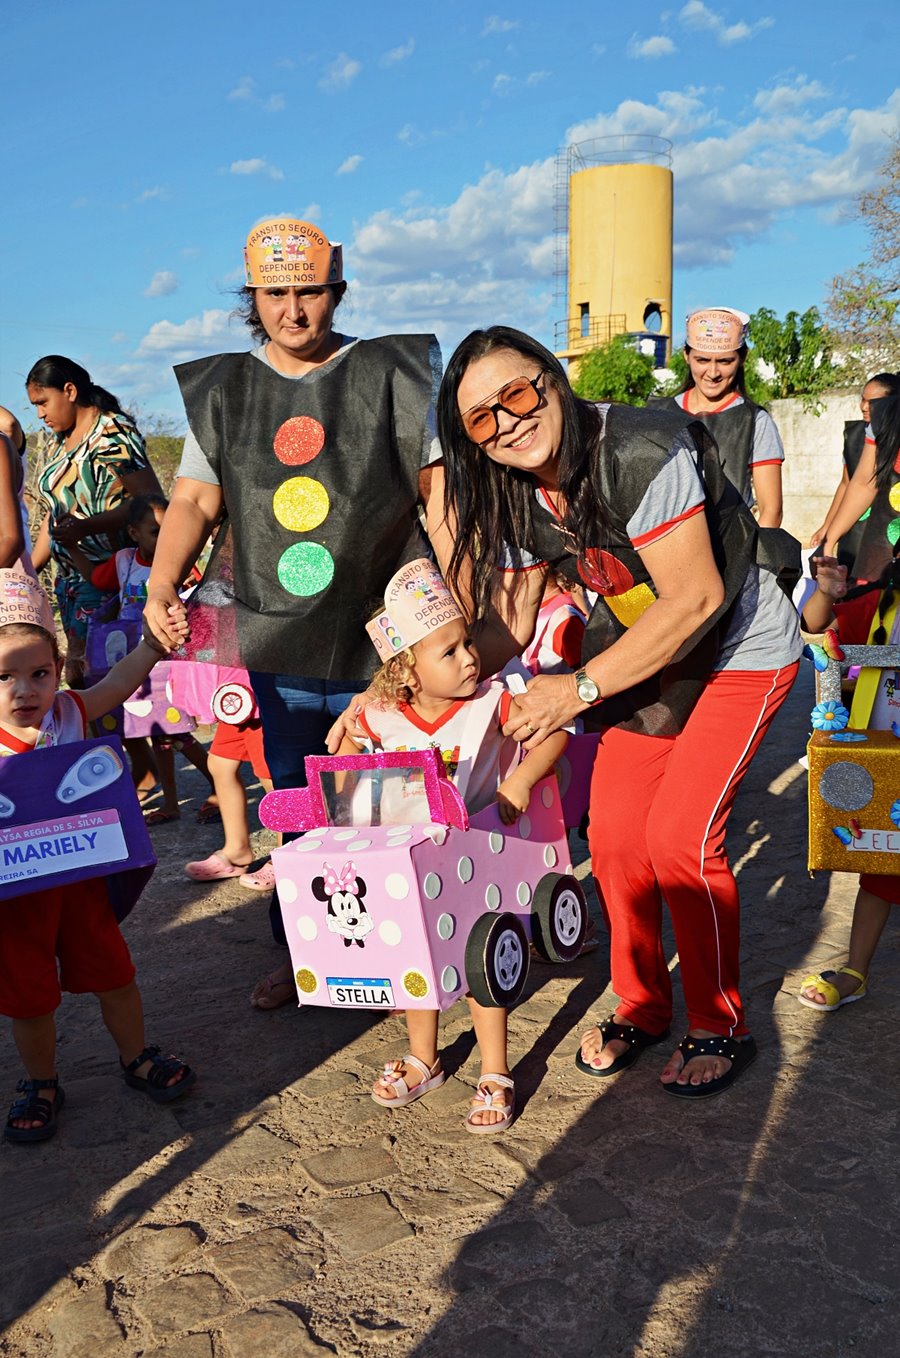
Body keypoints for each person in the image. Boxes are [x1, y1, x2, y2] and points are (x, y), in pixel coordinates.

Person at [437, 326, 801, 1098]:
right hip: (646, 657)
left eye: (517, 393)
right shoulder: (515, 487)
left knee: (680, 839)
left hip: (736, 645)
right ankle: (641, 1003)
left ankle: (720, 1021)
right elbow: (507, 623)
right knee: (615, 839)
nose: (507, 421)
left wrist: (576, 690)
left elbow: (697, 598)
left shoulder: (639, 449)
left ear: (551, 379)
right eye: (481, 418)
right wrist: (407, 681)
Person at [142, 216, 448, 1009]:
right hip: (279, 644)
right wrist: (161, 582)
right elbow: (194, 499)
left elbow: (436, 492)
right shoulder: (228, 392)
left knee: (390, 795)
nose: (294, 310)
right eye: (276, 294)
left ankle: (405, 952)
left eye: (309, 290)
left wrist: (459, 597)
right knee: (299, 804)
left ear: (336, 291)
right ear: (254, 298)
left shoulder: (390, 374)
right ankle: (310, 954)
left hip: (386, 644)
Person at [336, 559, 567, 1131]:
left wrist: (519, 779)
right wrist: (347, 788)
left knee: (480, 960)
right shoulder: (379, 715)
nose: (470, 657)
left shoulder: (491, 702)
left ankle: (495, 1069)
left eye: (467, 642)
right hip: (408, 859)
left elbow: (555, 732)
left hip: (477, 856)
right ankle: (425, 1056)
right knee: (418, 955)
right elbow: (342, 763)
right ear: (406, 673)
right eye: (450, 650)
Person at [0, 573, 194, 1144]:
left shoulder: (70, 712)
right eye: (4, 677)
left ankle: (136, 1058)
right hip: (15, 904)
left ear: (58, 669)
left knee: (115, 975)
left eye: (38, 674)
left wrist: (155, 645)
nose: (24, 691)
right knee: (29, 1000)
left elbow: (120, 681)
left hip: (82, 888)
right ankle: (41, 1082)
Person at [65, 493, 214, 824]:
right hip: (132, 662)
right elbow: (95, 579)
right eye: (154, 531)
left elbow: (201, 598)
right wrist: (73, 547)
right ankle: (172, 802)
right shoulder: (123, 562)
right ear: (134, 533)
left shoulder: (182, 568)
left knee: (174, 731)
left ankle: (216, 783)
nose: (163, 540)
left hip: (165, 662)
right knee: (155, 729)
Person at [797, 550, 900, 1011]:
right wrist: (824, 593)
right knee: (880, 869)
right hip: (886, 766)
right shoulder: (882, 608)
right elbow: (818, 633)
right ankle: (856, 972)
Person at [26, 355, 162, 689]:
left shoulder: (112, 434)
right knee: (79, 676)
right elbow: (56, 512)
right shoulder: (62, 440)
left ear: (69, 391)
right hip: (71, 578)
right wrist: (29, 570)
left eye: (43, 402)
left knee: (101, 679)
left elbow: (150, 503)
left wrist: (88, 527)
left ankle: (164, 742)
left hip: (109, 579)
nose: (40, 414)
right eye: (34, 406)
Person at [653, 307, 784, 528]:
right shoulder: (658, 414)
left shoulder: (755, 421)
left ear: (742, 358)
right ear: (686, 356)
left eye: (725, 361)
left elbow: (771, 511)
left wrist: (750, 559)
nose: (713, 373)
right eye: (702, 360)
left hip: (731, 552)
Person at [808, 374, 900, 572]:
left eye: (872, 401)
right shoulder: (881, 419)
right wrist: (829, 538)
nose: (865, 407)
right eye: (863, 400)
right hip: (878, 541)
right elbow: (861, 483)